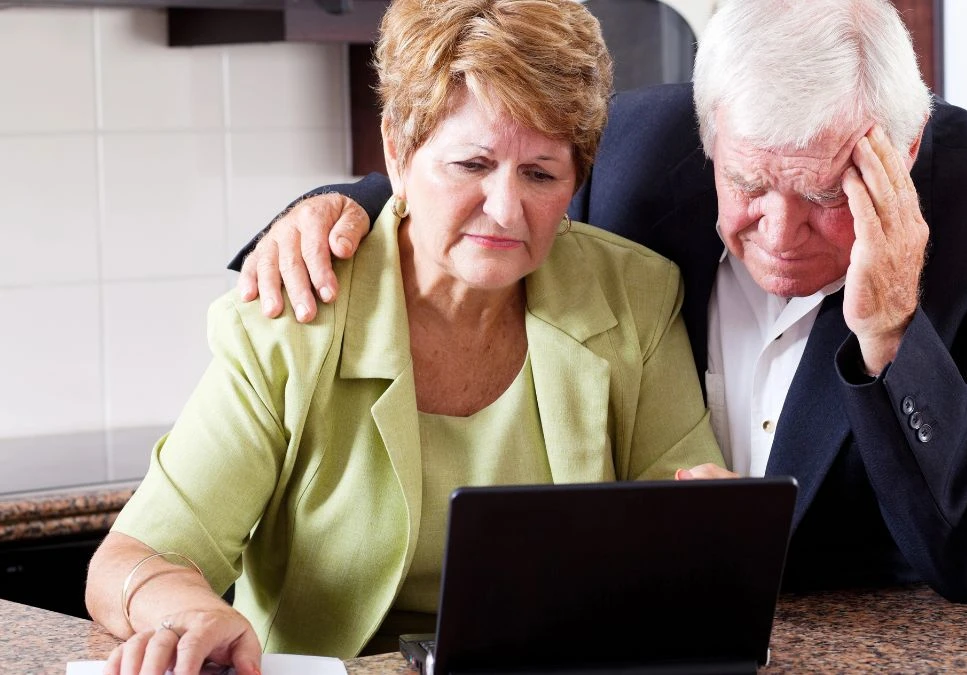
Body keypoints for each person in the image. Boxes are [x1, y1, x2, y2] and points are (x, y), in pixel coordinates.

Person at [239, 0, 967, 604]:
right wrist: (342, 203)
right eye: (750, 183)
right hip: (635, 624)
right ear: (709, 133)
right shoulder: (632, 156)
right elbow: (477, 188)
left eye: (828, 195)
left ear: (905, 150)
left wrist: (892, 332)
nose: (781, 232)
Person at [84, 0, 726, 672]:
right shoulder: (297, 317)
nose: (506, 209)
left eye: (540, 173)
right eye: (472, 164)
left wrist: (707, 532)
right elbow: (132, 558)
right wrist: (189, 609)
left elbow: (687, 527)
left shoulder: (634, 295)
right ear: (398, 149)